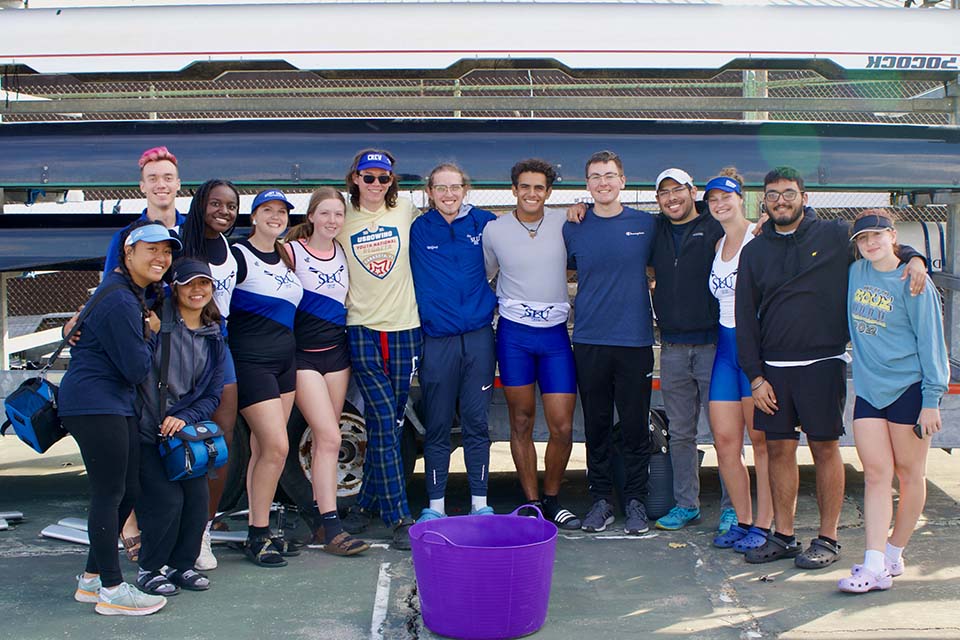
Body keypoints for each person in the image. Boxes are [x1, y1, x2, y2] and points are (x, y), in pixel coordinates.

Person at [736, 166, 928, 569]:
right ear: (764, 201)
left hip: (823, 364)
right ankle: (784, 536)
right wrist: (755, 376)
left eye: (789, 193)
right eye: (772, 194)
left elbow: (879, 244)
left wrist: (915, 257)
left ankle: (828, 538)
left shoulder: (834, 235)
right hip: (773, 370)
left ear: (805, 198)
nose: (781, 200)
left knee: (825, 448)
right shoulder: (754, 250)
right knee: (778, 449)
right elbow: (745, 317)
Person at [62, 220, 180, 616]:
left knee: (126, 491)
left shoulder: (129, 294)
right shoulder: (120, 300)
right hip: (95, 404)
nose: (161, 258)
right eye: (152, 250)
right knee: (108, 493)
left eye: (166, 252)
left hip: (111, 403)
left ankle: (93, 579)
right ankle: (111, 589)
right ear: (128, 253)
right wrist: (151, 333)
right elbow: (134, 368)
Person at [838, 210, 949, 593]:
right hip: (870, 388)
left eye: (877, 235)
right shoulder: (856, 273)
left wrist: (932, 399)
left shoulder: (914, 282)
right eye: (863, 238)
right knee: (875, 474)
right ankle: (873, 564)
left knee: (909, 474)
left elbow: (932, 341)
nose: (870, 243)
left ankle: (894, 551)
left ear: (892, 236)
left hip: (910, 389)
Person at [561, 151, 657, 534]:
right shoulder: (573, 226)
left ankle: (635, 501)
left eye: (610, 175)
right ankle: (601, 500)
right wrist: (572, 210)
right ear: (587, 185)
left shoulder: (647, 225)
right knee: (597, 426)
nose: (603, 182)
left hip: (634, 342)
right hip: (589, 340)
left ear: (622, 181)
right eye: (596, 176)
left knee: (635, 428)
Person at [482, 158, 581, 531]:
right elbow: (486, 273)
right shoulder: (495, 230)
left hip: (555, 336)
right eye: (525, 186)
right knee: (521, 421)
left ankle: (554, 499)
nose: (532, 193)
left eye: (539, 187)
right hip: (514, 336)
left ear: (548, 192)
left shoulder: (563, 222)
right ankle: (532, 502)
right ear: (513, 189)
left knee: (562, 426)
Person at [336, 150, 422, 550]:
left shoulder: (405, 208)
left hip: (405, 328)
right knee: (385, 420)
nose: (375, 185)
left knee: (391, 424)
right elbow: (307, 235)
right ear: (355, 178)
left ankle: (366, 503)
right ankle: (398, 515)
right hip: (362, 328)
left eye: (382, 178)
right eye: (368, 177)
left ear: (392, 182)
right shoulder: (341, 216)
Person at [646, 168, 735, 534]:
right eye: (664, 193)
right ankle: (687, 505)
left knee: (724, 433)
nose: (672, 198)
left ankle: (734, 507)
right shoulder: (654, 231)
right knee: (681, 432)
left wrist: (908, 254)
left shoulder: (717, 225)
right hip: (673, 348)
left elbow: (757, 234)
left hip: (715, 345)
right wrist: (581, 207)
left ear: (692, 192)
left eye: (678, 190)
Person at [409, 163, 497, 522]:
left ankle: (480, 504)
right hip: (437, 340)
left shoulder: (484, 223)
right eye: (441, 187)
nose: (448, 194)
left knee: (476, 422)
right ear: (430, 192)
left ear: (466, 188)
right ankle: (435, 507)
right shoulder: (418, 228)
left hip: (477, 338)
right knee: (439, 424)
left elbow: (529, 227)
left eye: (455, 187)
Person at [284, 188, 370, 556]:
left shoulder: (345, 253)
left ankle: (322, 522)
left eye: (339, 214)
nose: (332, 221)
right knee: (331, 438)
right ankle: (333, 526)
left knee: (325, 443)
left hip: (337, 356)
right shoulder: (292, 251)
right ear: (312, 216)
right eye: (325, 214)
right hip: (302, 357)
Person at [134, 259, 225, 595]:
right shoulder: (156, 322)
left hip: (184, 437)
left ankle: (181, 566)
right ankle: (150, 568)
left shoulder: (215, 335)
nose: (197, 290)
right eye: (189, 284)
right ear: (175, 288)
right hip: (147, 432)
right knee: (166, 501)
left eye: (204, 284)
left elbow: (212, 394)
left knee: (197, 501)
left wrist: (184, 418)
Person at [229, 189, 304, 567]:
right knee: (276, 448)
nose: (276, 216)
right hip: (250, 364)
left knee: (264, 450)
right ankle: (257, 534)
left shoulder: (286, 255)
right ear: (253, 216)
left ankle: (260, 530)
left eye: (282, 211)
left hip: (284, 364)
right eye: (267, 210)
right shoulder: (237, 254)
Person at [703, 170, 774, 552]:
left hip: (754, 349)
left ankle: (764, 524)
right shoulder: (718, 245)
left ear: (741, 198)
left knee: (762, 442)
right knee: (726, 442)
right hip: (725, 351)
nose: (720, 204)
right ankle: (743, 520)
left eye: (726, 197)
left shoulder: (759, 234)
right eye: (713, 199)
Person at [177, 179, 241, 571]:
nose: (223, 211)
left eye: (231, 206)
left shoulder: (231, 248)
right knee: (182, 436)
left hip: (222, 341)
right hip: (189, 343)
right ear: (201, 204)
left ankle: (202, 530)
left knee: (222, 436)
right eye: (215, 203)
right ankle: (172, 527)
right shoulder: (185, 243)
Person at [103, 146, 186, 276]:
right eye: (153, 179)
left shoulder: (195, 230)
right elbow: (112, 288)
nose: (161, 185)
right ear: (142, 186)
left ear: (178, 184)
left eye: (168, 178)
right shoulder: (125, 237)